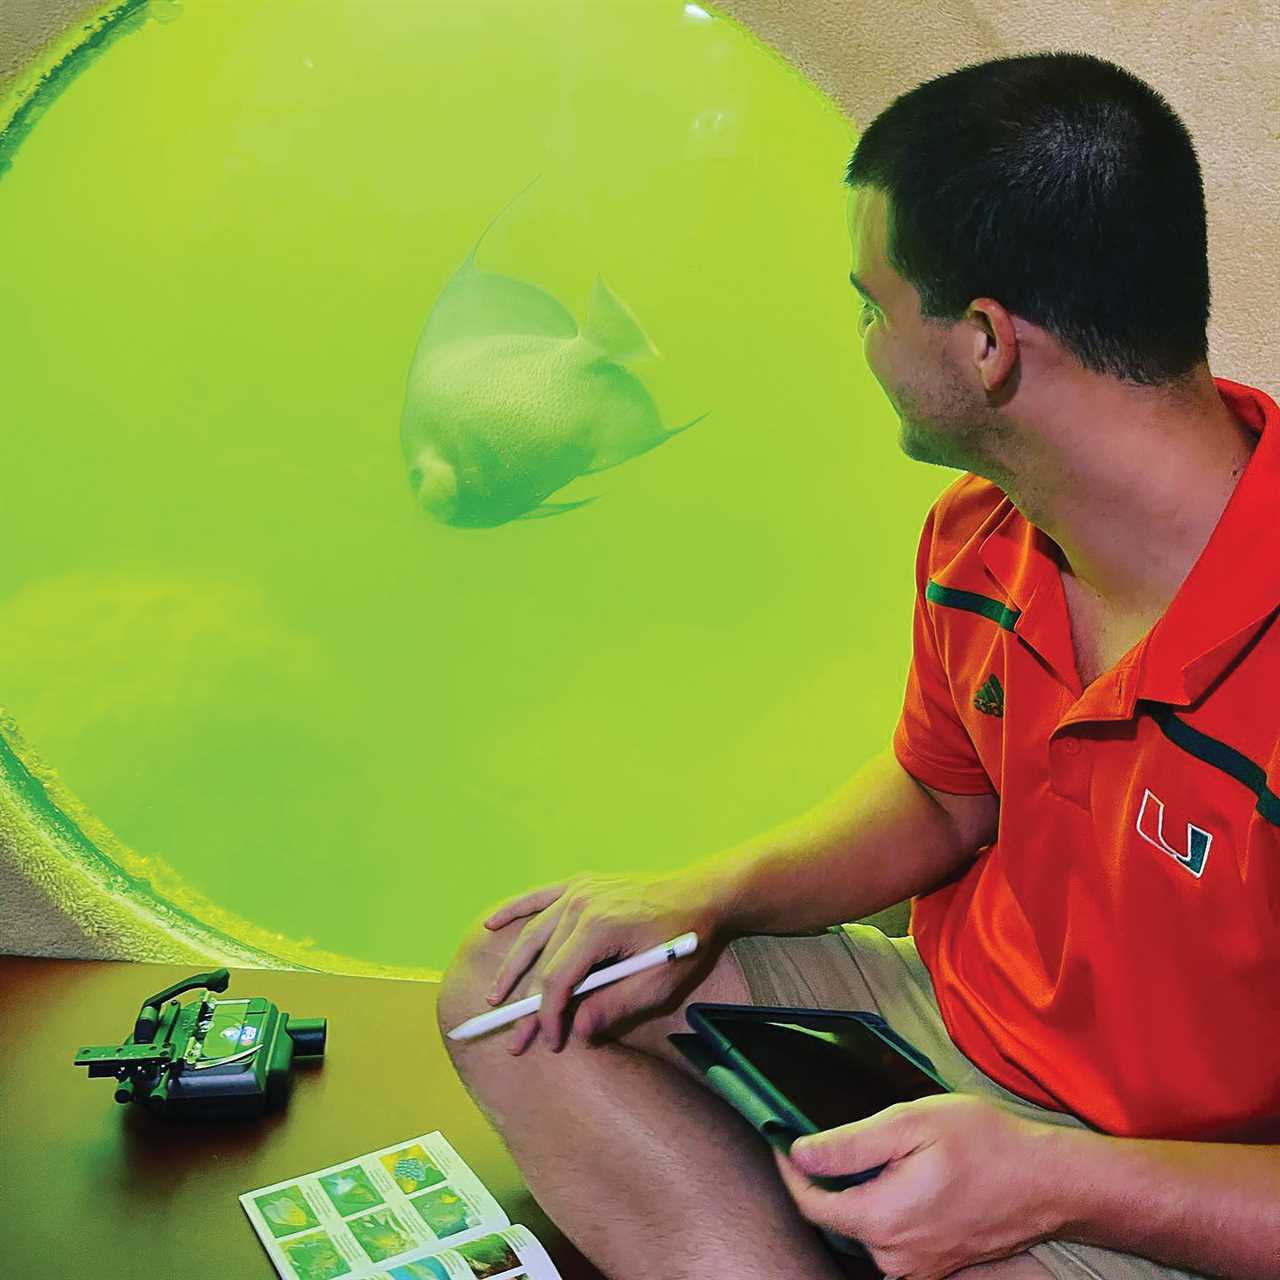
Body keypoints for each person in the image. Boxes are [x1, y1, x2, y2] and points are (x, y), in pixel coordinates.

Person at [438, 50, 1279, 1280]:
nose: (867, 345)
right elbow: (943, 797)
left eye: (872, 307)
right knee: (512, 982)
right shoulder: (972, 538)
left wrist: (1047, 1181)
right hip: (940, 1032)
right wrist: (704, 891)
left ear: (986, 342)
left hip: (1161, 1181)